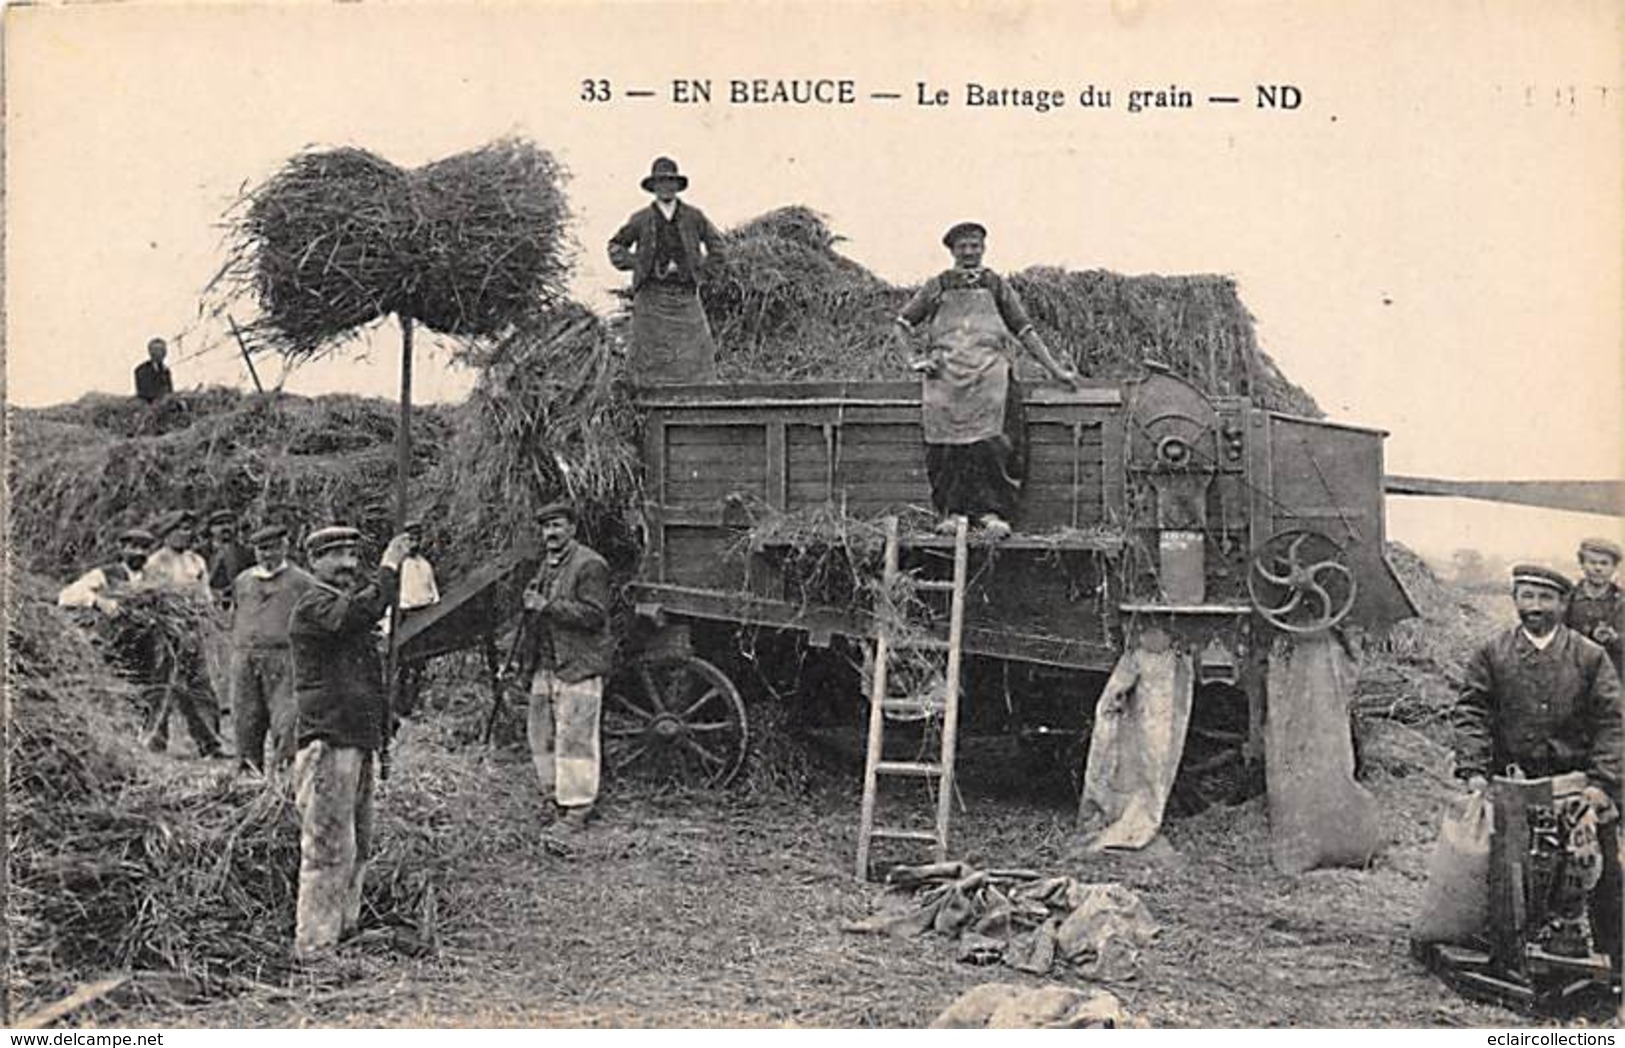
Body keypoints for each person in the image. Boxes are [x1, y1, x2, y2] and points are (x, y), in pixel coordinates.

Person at [1453, 563, 1622, 972]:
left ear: (1564, 604)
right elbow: (1471, 712)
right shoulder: (1493, 653)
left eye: (1545, 597)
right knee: (1509, 873)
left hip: (1577, 784)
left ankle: (1614, 962)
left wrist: (1601, 783)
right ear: (1514, 600)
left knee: (1598, 871)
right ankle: (1510, 957)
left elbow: (1613, 722)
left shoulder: (1590, 657)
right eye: (1526, 596)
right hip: (1515, 782)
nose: (1535, 607)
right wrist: (1474, 770)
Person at [892, 222, 1083, 539]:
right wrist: (914, 360)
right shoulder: (937, 286)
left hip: (990, 375)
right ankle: (952, 513)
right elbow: (901, 324)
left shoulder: (996, 286)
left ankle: (993, 513)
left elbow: (1024, 330)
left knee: (995, 443)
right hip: (946, 377)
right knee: (946, 446)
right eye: (963, 246)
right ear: (952, 251)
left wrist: (1056, 371)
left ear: (984, 248)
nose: (969, 252)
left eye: (975, 245)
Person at [288, 524, 412, 960]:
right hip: (328, 742)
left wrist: (382, 726)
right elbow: (354, 615)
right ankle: (314, 946)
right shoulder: (314, 606)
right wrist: (390, 567)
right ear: (313, 563)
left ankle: (345, 926)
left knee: (357, 842)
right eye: (335, 556)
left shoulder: (343, 608)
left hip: (356, 740)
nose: (347, 565)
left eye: (352, 556)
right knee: (326, 847)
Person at [513, 501, 612, 835]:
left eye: (557, 525)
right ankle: (554, 796)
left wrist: (547, 606)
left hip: (579, 662)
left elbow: (594, 615)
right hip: (548, 662)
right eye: (546, 527)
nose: (550, 533)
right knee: (541, 733)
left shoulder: (590, 565)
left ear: (572, 528)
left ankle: (578, 808)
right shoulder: (548, 565)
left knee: (576, 739)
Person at [607, 156, 728, 384]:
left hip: (685, 296)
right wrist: (637, 263)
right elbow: (615, 245)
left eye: (670, 182)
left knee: (697, 349)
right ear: (653, 187)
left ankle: (698, 397)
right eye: (660, 182)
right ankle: (647, 396)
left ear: (677, 186)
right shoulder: (641, 219)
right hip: (651, 297)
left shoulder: (694, 217)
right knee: (648, 350)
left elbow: (718, 246)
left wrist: (705, 272)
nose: (666, 187)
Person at [229, 524, 316, 774]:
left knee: (285, 717)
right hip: (245, 656)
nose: (267, 555)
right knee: (246, 717)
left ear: (284, 547)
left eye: (273, 548)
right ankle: (248, 773)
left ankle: (284, 777)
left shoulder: (302, 581)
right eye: (261, 550)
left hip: (284, 657)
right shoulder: (244, 580)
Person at [140, 510, 224, 756]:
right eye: (180, 529)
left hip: (192, 629)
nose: (185, 534)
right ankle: (155, 739)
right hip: (165, 630)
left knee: (200, 685)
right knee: (162, 685)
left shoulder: (196, 561)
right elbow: (150, 597)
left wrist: (204, 618)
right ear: (168, 533)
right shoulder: (155, 562)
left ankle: (210, 742)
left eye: (189, 529)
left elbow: (204, 595)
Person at [57, 527, 154, 616]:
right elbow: (67, 595)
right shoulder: (106, 573)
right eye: (134, 547)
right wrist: (98, 602)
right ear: (123, 549)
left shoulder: (152, 580)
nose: (140, 553)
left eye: (145, 548)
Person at [1565, 537, 1624, 678]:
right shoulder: (1567, 598)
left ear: (1614, 567)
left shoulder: (1621, 600)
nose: (1598, 568)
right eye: (1592, 562)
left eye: (1604, 563)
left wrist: (1615, 638)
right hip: (1573, 673)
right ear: (1582, 564)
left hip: (1613, 675)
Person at [206, 510, 255, 608]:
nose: (226, 527)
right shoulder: (200, 552)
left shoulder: (247, 552)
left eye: (229, 523)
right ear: (211, 529)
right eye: (220, 524)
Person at [134, 337, 174, 403]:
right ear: (150, 352)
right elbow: (144, 393)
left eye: (162, 350)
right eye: (157, 350)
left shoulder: (166, 371)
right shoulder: (142, 370)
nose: (161, 353)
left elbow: (170, 391)